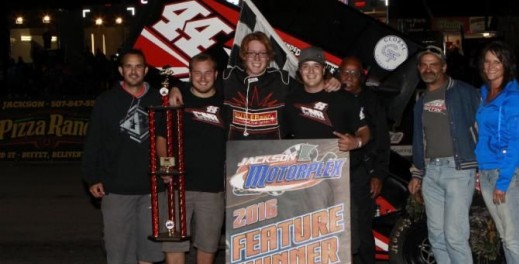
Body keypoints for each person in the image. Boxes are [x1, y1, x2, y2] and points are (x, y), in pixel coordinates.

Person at [283, 46, 371, 263]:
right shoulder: (290, 99)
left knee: (343, 241)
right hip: (304, 183)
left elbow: (365, 130)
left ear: (324, 70)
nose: (310, 71)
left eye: (316, 66)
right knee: (308, 240)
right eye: (305, 67)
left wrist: (356, 142)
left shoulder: (344, 98)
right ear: (299, 71)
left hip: (340, 183)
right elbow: (282, 137)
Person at [168, 31, 340, 140]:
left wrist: (332, 79)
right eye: (252, 53)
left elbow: (311, 88)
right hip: (235, 158)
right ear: (243, 55)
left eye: (262, 54)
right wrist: (177, 88)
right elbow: (202, 84)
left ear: (268, 57)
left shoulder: (282, 80)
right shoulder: (229, 77)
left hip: (273, 159)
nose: (257, 58)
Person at [82, 49, 165, 264]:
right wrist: (92, 177)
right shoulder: (106, 101)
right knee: (119, 252)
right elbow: (93, 141)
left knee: (151, 252)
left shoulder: (159, 99)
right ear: (121, 70)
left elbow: (168, 140)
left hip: (152, 189)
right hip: (116, 188)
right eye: (129, 66)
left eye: (138, 66)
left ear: (146, 70)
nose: (134, 71)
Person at [407, 45, 480, 264]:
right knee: (436, 237)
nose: (429, 69)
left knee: (455, 236)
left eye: (434, 65)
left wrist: (483, 166)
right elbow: (419, 141)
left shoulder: (465, 92)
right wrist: (417, 174)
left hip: (458, 170)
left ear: (444, 67)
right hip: (431, 173)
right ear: (419, 69)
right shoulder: (420, 102)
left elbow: (484, 126)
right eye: (424, 65)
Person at [156, 53, 226, 264]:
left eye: (207, 73)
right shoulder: (178, 99)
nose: (202, 78)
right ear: (189, 74)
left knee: (208, 246)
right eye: (197, 73)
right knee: (173, 244)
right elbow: (161, 139)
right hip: (177, 187)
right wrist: (167, 167)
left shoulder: (227, 102)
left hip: (213, 189)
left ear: (216, 74)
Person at [475, 40, 519, 264]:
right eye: (487, 62)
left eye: (497, 62)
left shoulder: (514, 98)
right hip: (488, 171)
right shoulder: (485, 93)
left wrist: (503, 181)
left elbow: (516, 143)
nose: (491, 67)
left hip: (507, 174)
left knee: (513, 238)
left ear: (506, 64)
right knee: (504, 237)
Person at [338, 56, 390, 264]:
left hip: (361, 172)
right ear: (338, 73)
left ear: (362, 76)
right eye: (345, 72)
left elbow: (383, 141)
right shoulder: (332, 96)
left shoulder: (371, 101)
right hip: (333, 172)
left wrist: (378, 175)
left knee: (362, 228)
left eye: (354, 73)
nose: (349, 77)